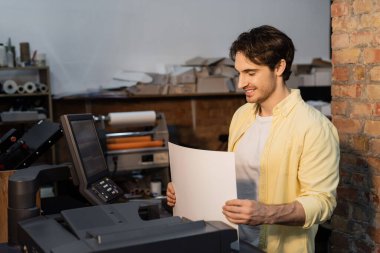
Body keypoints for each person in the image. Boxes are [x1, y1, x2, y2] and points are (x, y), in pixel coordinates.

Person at [166, 25, 340, 253]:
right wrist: (188, 191)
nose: (240, 83)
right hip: (232, 240)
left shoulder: (314, 127)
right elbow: (234, 177)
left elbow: (322, 203)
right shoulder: (242, 115)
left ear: (279, 67)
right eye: (239, 73)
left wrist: (265, 213)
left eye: (251, 73)